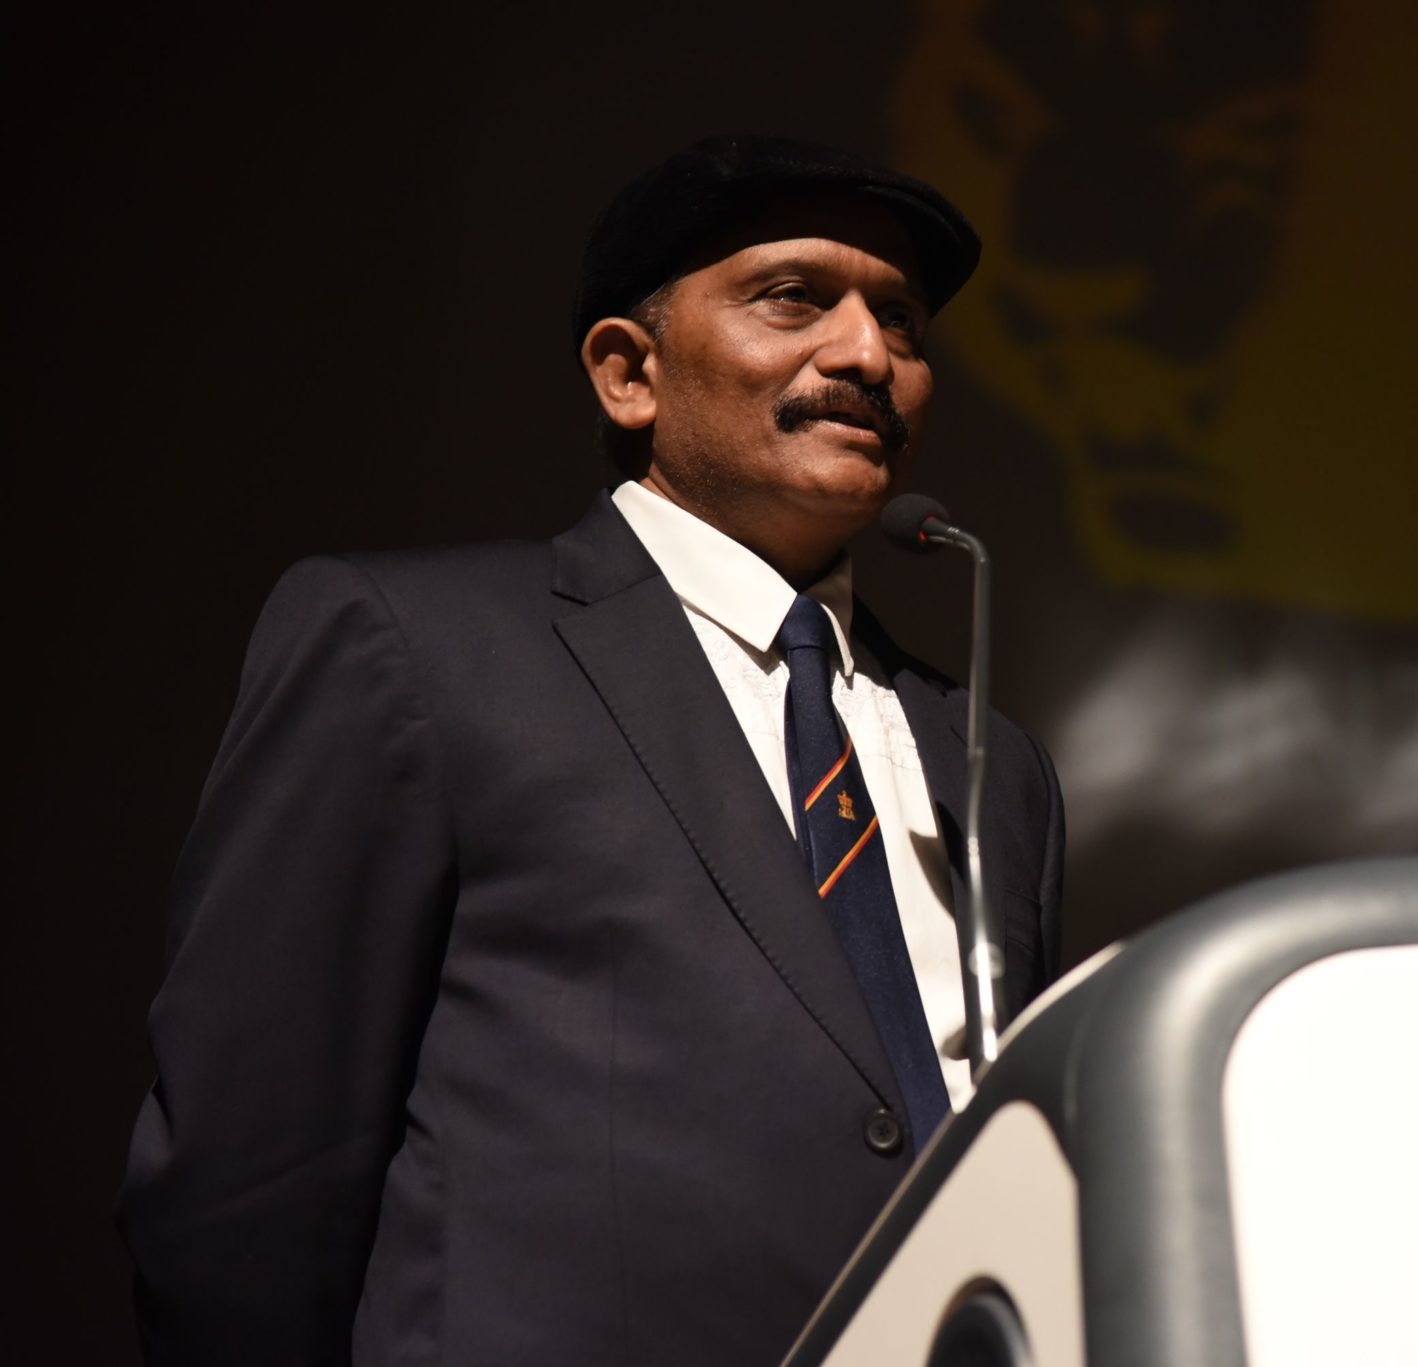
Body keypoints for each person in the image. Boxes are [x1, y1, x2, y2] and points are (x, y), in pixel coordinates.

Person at [117, 135, 1065, 1367]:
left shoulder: (992, 763)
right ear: (627, 373)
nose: (867, 354)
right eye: (794, 297)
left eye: (901, 320)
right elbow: (246, 1175)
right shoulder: (416, 646)